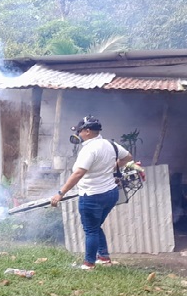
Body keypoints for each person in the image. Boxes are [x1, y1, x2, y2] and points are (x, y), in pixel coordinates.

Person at [50, 115, 132, 270]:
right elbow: (128, 157)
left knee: (91, 230)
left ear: (87, 131)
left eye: (80, 131)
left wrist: (60, 193)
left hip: (92, 196)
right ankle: (103, 257)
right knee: (96, 226)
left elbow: (78, 174)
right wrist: (111, 168)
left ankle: (89, 263)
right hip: (111, 194)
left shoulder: (89, 149)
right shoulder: (110, 144)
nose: (79, 134)